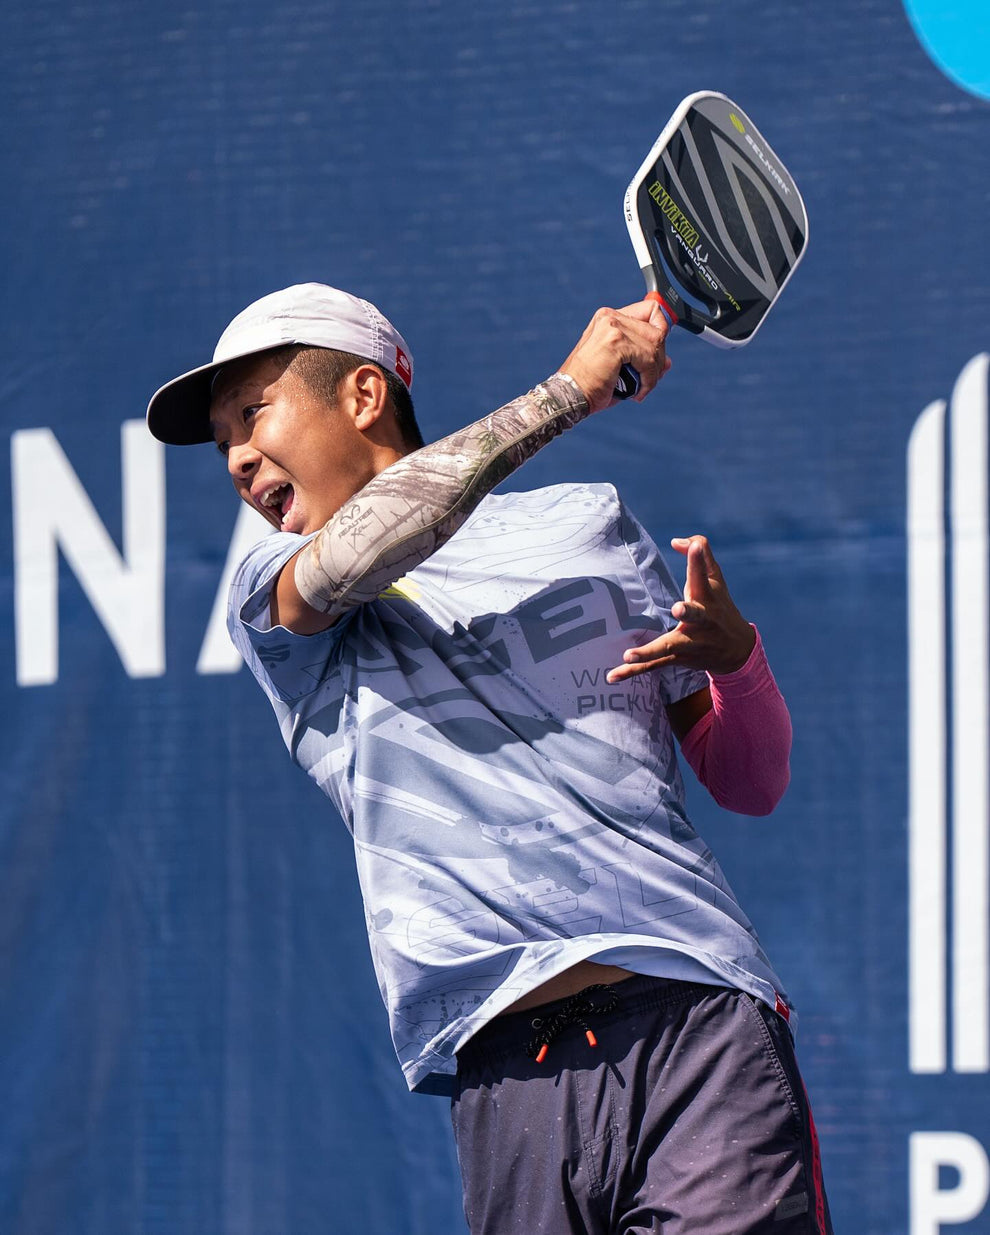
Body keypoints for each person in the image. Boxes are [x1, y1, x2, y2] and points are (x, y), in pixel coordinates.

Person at [147, 283, 831, 1234]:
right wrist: (566, 392)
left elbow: (750, 782)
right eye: (223, 439)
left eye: (252, 413)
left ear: (361, 394)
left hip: (696, 1023)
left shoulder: (588, 524)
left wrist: (737, 662)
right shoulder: (278, 592)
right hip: (509, 1078)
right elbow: (358, 557)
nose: (237, 458)